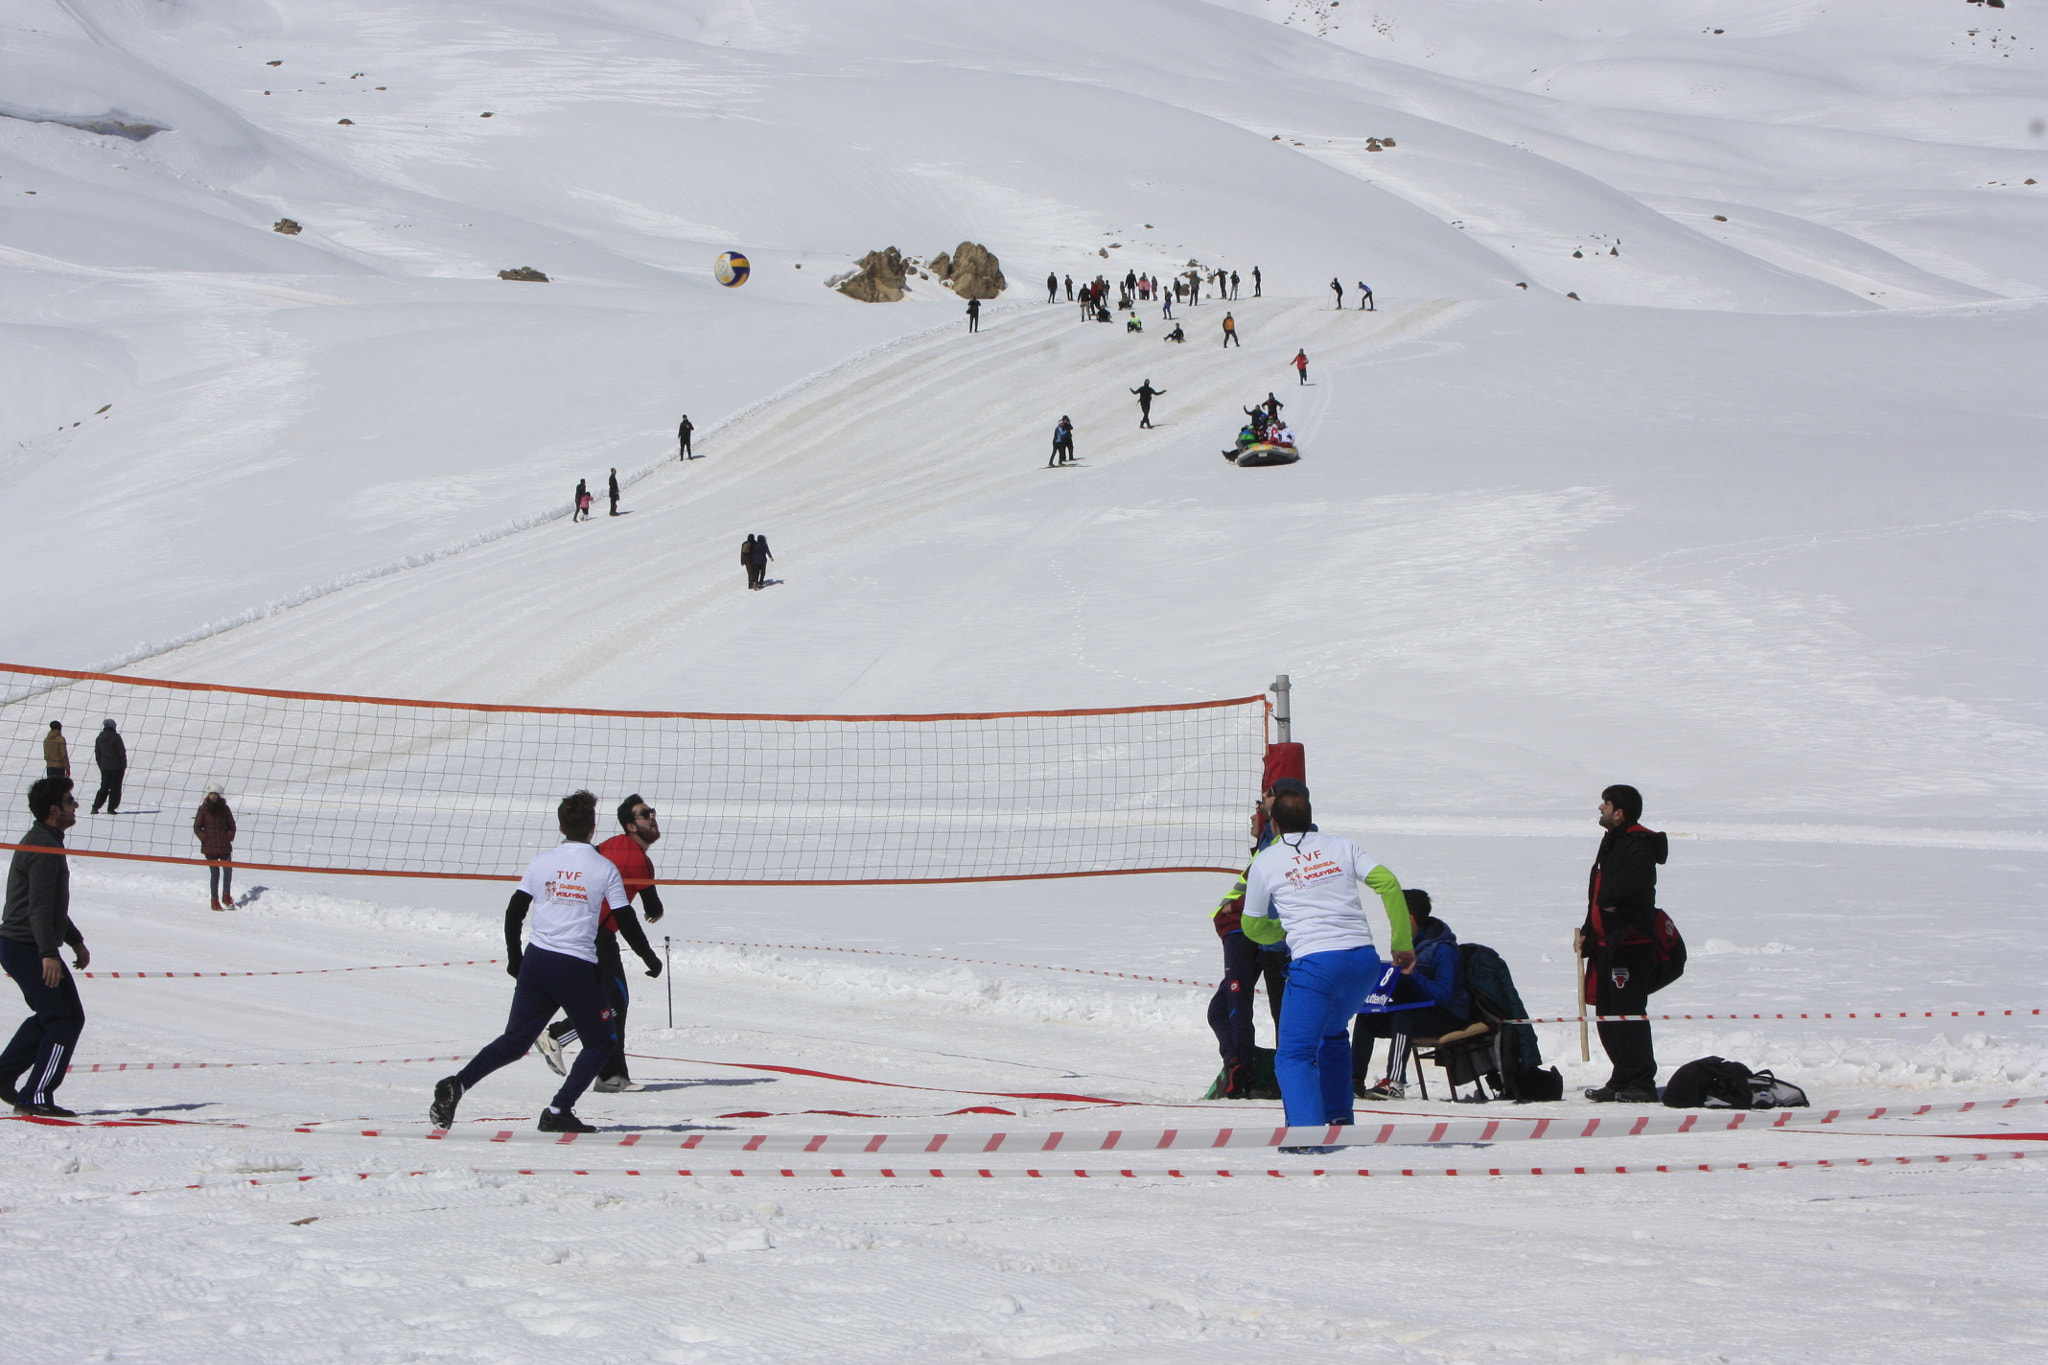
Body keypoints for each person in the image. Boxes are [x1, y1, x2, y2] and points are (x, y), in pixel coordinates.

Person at [431, 790, 632, 1134]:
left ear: (561, 824)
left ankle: (457, 1085)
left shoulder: (541, 862)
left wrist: (516, 958)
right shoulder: (603, 867)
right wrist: (647, 955)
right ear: (592, 827)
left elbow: (514, 911)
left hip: (537, 962)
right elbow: (625, 918)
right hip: (575, 967)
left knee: (516, 1040)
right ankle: (558, 1110)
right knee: (601, 1042)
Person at [1239, 785, 1413, 1150]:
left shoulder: (1266, 860)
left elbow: (1252, 926)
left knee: (1294, 1054)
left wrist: (1284, 931)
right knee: (1332, 1035)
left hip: (1317, 964)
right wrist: (1401, 944)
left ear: (1273, 823)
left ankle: (1306, 1136)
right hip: (1364, 962)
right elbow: (1389, 884)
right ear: (1311, 816)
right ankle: (1338, 1119)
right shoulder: (1341, 845)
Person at [538, 795, 665, 1092]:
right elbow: (631, 917)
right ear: (631, 826)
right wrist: (650, 958)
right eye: (645, 814)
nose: (652, 817)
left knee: (611, 1003)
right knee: (613, 1004)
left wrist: (654, 908)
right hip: (595, 937)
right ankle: (558, 1035)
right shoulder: (635, 860)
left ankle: (611, 1076)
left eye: (652, 811)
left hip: (574, 929)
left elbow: (647, 896)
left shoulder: (617, 847)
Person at [1, 777, 89, 1117]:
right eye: (70, 801)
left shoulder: (47, 840)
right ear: (54, 810)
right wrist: (48, 954)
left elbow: (50, 906)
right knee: (61, 1020)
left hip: (26, 945)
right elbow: (38, 907)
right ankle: (35, 1098)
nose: (75, 805)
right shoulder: (44, 846)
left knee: (64, 1016)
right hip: (25, 946)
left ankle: (4, 1073)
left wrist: (75, 940)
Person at [1577, 784, 1668, 1102]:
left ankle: (1641, 1080)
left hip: (1630, 943)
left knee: (1627, 1013)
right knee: (1606, 1013)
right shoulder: (1612, 840)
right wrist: (1590, 929)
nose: (1600, 808)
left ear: (1620, 811)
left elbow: (1633, 882)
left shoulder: (1638, 842)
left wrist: (1615, 903)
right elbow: (1598, 892)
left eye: (1606, 804)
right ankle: (1622, 1075)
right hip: (1606, 944)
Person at [1207, 783, 1294, 1098]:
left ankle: (1245, 1072)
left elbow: (1272, 888)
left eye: (1263, 801)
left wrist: (1238, 907)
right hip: (1254, 936)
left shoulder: (1282, 845)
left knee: (1242, 1007)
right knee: (1224, 1009)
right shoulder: (1266, 843)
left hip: (1255, 937)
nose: (1253, 814)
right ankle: (1241, 1066)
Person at [1353, 888, 1470, 1099]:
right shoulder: (1408, 944)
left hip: (1449, 1014)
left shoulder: (1443, 949)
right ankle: (1353, 1080)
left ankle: (1395, 1081)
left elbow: (1444, 995)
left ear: (1409, 918)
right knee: (1367, 1017)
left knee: (1404, 1017)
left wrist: (1411, 973)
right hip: (1419, 1010)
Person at [195, 782, 235, 911]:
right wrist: (204, 838)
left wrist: (228, 836)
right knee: (215, 873)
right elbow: (197, 827)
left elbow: (232, 826)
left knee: (228, 870)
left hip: (224, 846)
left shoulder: (225, 809)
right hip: (210, 847)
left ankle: (226, 896)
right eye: (211, 794)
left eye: (215, 794)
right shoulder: (203, 809)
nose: (213, 797)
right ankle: (214, 900)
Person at [90, 720, 126, 815]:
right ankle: (111, 808)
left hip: (105, 767)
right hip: (117, 767)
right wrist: (123, 765)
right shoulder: (116, 737)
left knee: (104, 787)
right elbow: (121, 752)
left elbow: (97, 753)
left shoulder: (99, 738)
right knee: (115, 788)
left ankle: (95, 806)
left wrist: (101, 765)